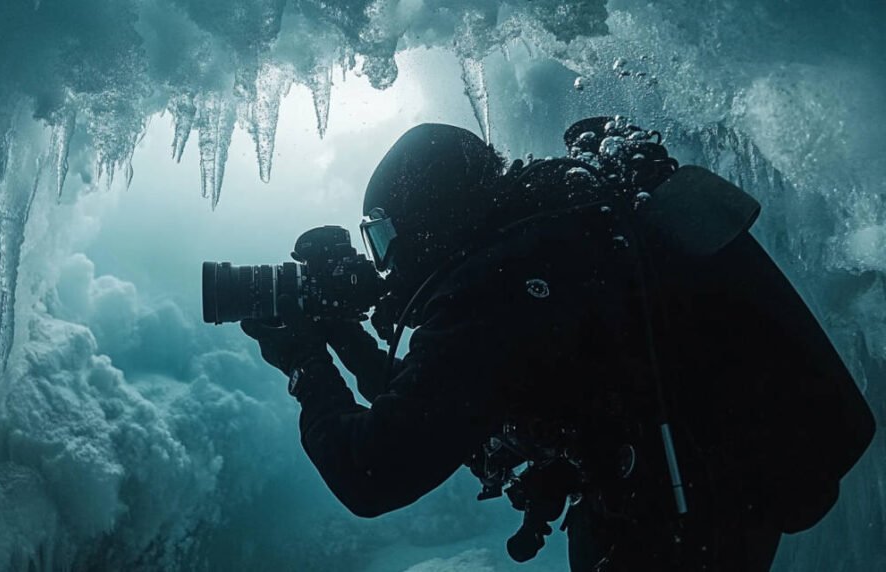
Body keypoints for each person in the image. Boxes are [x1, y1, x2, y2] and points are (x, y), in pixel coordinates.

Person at [240, 120, 875, 571]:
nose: (384, 265)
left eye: (382, 238)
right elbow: (439, 405)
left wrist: (304, 364)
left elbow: (371, 473)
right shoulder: (549, 244)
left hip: (680, 526)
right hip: (705, 491)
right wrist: (343, 336)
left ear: (428, 225)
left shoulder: (502, 290)